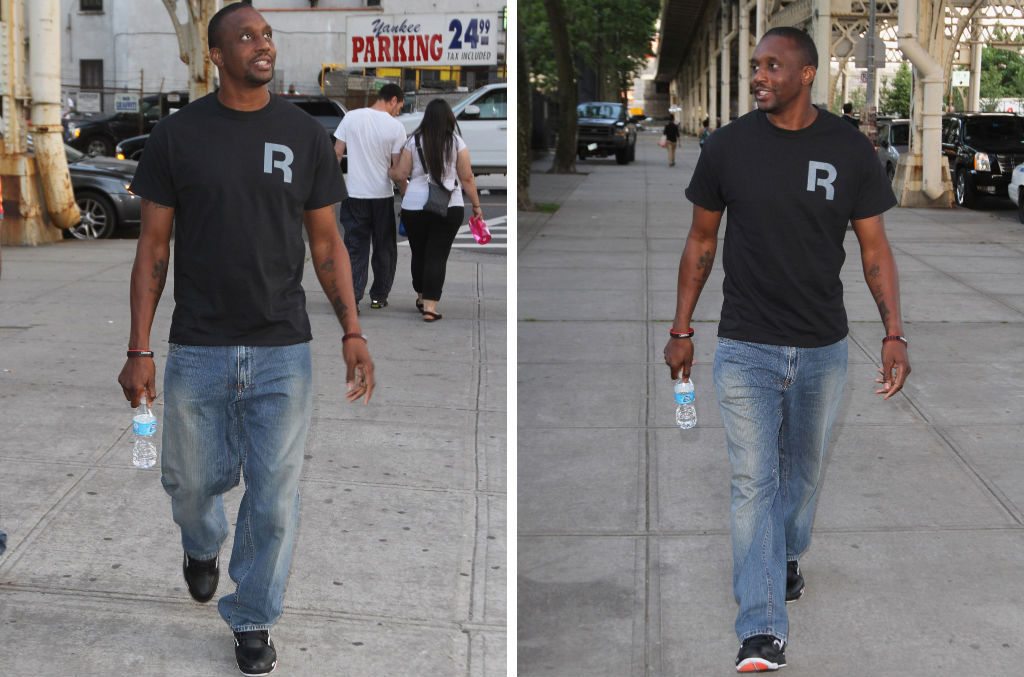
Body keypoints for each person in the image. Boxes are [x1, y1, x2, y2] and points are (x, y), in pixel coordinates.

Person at [117, 3, 374, 675]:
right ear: (217, 56)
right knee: (190, 481)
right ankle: (202, 544)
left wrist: (352, 328)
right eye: (246, 37)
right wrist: (138, 347)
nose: (262, 45)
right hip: (198, 344)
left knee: (275, 493)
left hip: (282, 347)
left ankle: (253, 615)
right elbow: (152, 247)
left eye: (266, 34)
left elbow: (326, 243)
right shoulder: (177, 136)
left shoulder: (304, 134)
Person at [663, 27, 910, 673]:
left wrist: (892, 332)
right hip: (745, 344)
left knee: (800, 478)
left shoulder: (849, 150)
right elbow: (700, 242)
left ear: (807, 74)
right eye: (754, 66)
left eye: (773, 65)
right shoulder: (728, 146)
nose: (759, 76)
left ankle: (786, 555)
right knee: (754, 481)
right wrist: (682, 327)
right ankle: (762, 625)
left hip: (823, 347)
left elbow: (874, 249)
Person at [389, 99, 483, 322]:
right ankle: (430, 306)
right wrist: (476, 206)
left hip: (414, 206)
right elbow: (467, 177)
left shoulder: (414, 141)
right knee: (437, 255)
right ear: (449, 118)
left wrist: (388, 168)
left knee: (419, 253)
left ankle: (421, 297)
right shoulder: (456, 142)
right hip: (449, 205)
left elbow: (401, 175)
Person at [332, 83, 407, 310]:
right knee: (384, 248)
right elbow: (396, 168)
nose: (398, 112)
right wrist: (406, 192)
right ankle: (379, 297)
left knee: (355, 247)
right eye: (399, 107)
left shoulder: (351, 118)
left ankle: (353, 298)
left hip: (353, 194)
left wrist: (331, 185)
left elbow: (336, 153)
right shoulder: (396, 127)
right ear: (393, 100)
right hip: (382, 196)